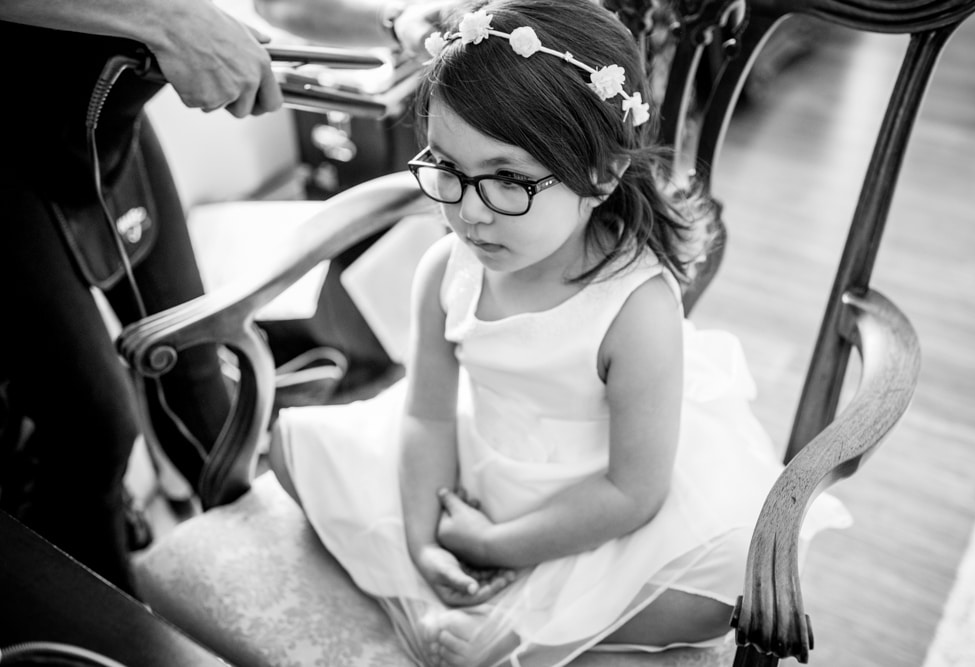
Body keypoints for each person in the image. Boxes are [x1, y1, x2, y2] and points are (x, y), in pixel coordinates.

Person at [262, 0, 851, 665]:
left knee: (714, 592)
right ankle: (467, 600)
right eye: (448, 169)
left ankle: (521, 629)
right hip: (482, 455)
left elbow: (633, 491)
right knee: (295, 452)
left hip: (597, 500)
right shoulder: (446, 270)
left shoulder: (634, 307)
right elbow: (426, 415)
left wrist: (494, 544)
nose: (470, 212)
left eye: (509, 180)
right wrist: (428, 538)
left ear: (599, 176)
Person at [0, 0, 451, 596]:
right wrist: (168, 21)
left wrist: (394, 24)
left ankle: (260, 587)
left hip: (106, 111)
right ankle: (107, 630)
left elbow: (277, 4)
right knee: (94, 430)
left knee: (203, 380)